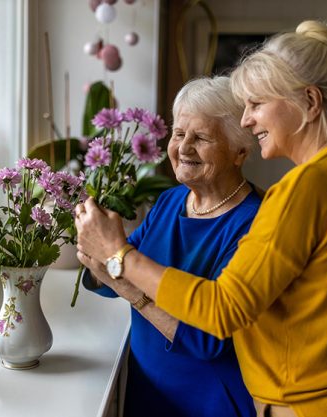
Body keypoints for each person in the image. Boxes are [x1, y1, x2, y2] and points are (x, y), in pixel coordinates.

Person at [75, 18, 327, 417]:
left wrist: (120, 256)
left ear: (310, 102)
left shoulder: (302, 190)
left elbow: (220, 311)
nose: (249, 120)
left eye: (257, 103)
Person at [81, 76, 261, 417]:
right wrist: (93, 242)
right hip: (148, 391)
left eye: (201, 137)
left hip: (208, 401)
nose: (183, 147)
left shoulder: (253, 223)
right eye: (179, 134)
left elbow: (207, 340)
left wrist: (123, 278)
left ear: (240, 152)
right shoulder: (170, 201)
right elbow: (111, 274)